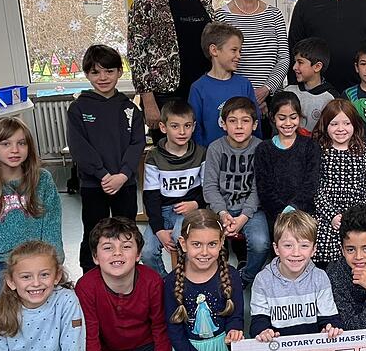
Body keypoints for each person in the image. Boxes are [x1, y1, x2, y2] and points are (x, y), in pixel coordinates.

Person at [128, 0, 219, 143]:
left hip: (203, 88)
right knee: (173, 156)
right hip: (166, 93)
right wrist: (148, 101)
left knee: (204, 150)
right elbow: (136, 52)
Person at [0, 118, 63, 303]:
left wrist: (56, 263)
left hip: (37, 259)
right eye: (6, 143)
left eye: (21, 143)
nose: (15, 150)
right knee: (6, 312)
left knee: (48, 304)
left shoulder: (43, 180)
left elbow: (51, 225)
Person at [68, 44, 145, 274]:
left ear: (120, 72)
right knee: (94, 231)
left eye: (109, 71)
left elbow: (137, 144)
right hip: (94, 184)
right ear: (87, 75)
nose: (103, 78)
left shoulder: (130, 109)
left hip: (125, 183)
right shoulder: (78, 108)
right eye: (95, 72)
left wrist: (122, 175)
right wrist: (102, 174)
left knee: (126, 230)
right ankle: (90, 276)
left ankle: (129, 270)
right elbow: (80, 148)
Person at [216, 0, 289, 131]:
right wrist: (248, 98)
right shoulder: (220, 16)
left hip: (272, 103)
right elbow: (219, 63)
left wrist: (265, 91)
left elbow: (284, 58)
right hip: (235, 103)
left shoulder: (274, 15)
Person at [76, 217, 171, 351]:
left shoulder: (152, 281)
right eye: (108, 248)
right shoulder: (86, 287)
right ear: (95, 257)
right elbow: (90, 336)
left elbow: (160, 328)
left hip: (147, 347)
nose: (117, 253)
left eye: (126, 246)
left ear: (138, 254)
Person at [203, 97, 270, 286]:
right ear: (223, 124)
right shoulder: (215, 148)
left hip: (251, 210)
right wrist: (223, 213)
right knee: (207, 243)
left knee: (260, 243)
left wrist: (242, 218)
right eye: (232, 121)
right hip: (219, 209)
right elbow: (209, 187)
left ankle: (244, 279)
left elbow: (259, 189)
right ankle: (216, 279)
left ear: (255, 124)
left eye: (245, 121)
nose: (239, 126)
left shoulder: (261, 148)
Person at [249, 210, 343, 341]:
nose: (296, 253)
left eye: (304, 245)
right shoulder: (262, 280)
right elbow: (259, 320)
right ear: (276, 248)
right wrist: (263, 331)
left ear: (314, 250)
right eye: (288, 245)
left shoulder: (320, 277)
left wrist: (330, 328)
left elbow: (329, 318)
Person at [141, 100, 206, 276]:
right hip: (161, 211)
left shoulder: (201, 153)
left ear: (193, 127)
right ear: (163, 127)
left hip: (188, 211)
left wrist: (195, 203)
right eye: (175, 126)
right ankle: (165, 283)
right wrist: (159, 229)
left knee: (181, 242)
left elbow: (208, 188)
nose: (182, 132)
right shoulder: (154, 157)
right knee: (147, 252)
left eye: (187, 126)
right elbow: (150, 196)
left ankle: (185, 282)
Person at [164, 209, 244, 351]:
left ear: (221, 243)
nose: (205, 252)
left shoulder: (232, 275)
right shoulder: (172, 281)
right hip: (187, 349)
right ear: (183, 244)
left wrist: (234, 331)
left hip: (222, 347)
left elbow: (236, 317)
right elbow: (174, 330)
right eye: (196, 244)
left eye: (212, 244)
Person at [0, 241, 84, 351]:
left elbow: (73, 347)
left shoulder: (66, 300)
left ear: (57, 276)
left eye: (44, 275)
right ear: (11, 281)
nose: (36, 283)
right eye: (26, 277)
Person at [312, 99, 366, 268]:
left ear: (354, 124)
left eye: (346, 123)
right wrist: (331, 215)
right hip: (328, 214)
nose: (341, 129)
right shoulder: (320, 150)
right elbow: (316, 188)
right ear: (325, 125)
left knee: (359, 241)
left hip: (358, 212)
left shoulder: (364, 150)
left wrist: (356, 214)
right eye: (334, 124)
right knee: (321, 237)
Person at [255, 92, 321, 229]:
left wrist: (294, 207)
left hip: (305, 215)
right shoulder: (264, 149)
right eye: (282, 118)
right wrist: (282, 212)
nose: (288, 123)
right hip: (276, 217)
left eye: (293, 117)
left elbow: (311, 183)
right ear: (273, 118)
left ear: (299, 116)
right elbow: (264, 188)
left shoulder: (310, 146)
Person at [188, 22, 260, 147]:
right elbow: (195, 129)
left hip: (245, 159)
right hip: (211, 160)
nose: (239, 56)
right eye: (234, 50)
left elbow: (256, 124)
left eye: (240, 51)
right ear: (214, 50)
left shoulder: (245, 85)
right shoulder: (198, 88)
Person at [286, 37, 340, 132]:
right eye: (295, 62)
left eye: (300, 62)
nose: (294, 67)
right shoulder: (288, 92)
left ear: (317, 67)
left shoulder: (331, 98)